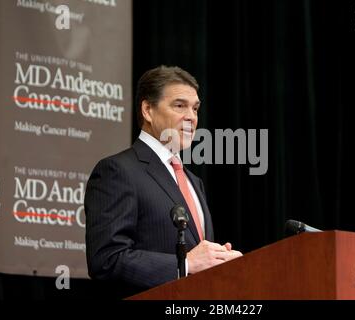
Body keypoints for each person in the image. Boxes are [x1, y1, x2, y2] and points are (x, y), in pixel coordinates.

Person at [84, 65, 242, 298]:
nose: (191, 116)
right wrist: (185, 264)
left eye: (195, 108)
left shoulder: (194, 181)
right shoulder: (117, 171)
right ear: (148, 110)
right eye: (180, 105)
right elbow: (106, 259)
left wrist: (218, 260)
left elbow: (197, 260)